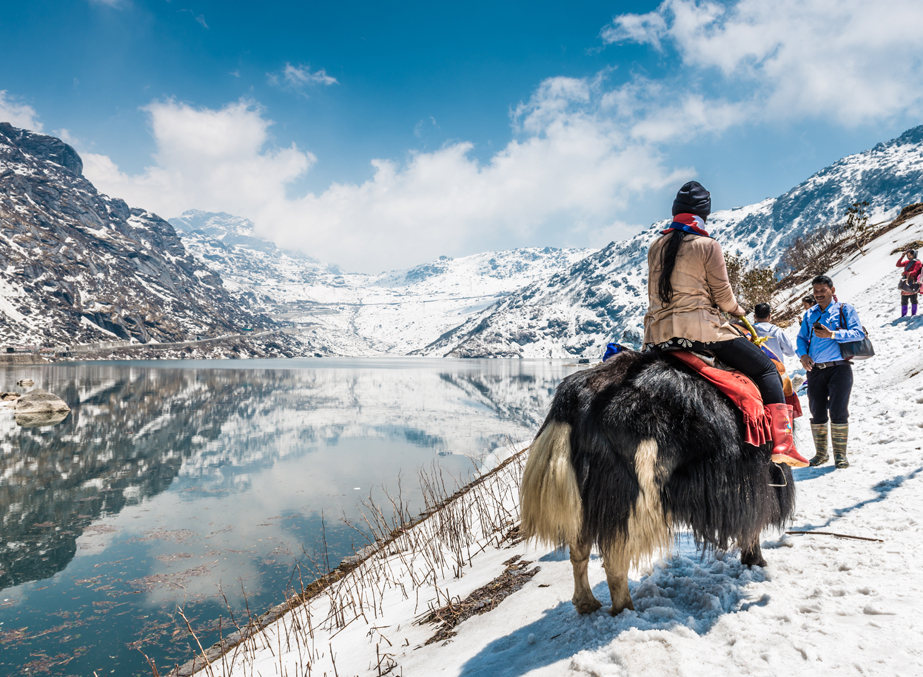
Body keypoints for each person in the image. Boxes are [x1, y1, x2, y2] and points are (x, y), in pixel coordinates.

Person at [644, 181, 808, 467]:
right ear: (703, 214)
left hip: (658, 336)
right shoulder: (707, 245)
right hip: (701, 333)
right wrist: (738, 310)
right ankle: (783, 444)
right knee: (767, 368)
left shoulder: (656, 245)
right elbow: (724, 298)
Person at [796, 275, 866, 469]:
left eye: (822, 290)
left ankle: (840, 456)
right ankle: (820, 454)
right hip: (815, 370)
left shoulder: (845, 309)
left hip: (840, 368)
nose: (818, 294)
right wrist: (802, 355)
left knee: (838, 410)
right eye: (815, 291)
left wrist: (832, 334)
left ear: (832, 290)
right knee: (816, 411)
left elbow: (858, 333)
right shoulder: (810, 314)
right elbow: (801, 338)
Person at [896, 249, 921, 317]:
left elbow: (915, 272)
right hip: (905, 282)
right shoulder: (907, 262)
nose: (909, 257)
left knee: (913, 300)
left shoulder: (917, 263)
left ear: (914, 255)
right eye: (908, 255)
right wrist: (902, 256)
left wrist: (905, 273)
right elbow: (898, 265)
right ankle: (903, 315)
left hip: (912, 283)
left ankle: (913, 315)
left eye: (910, 255)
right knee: (904, 300)